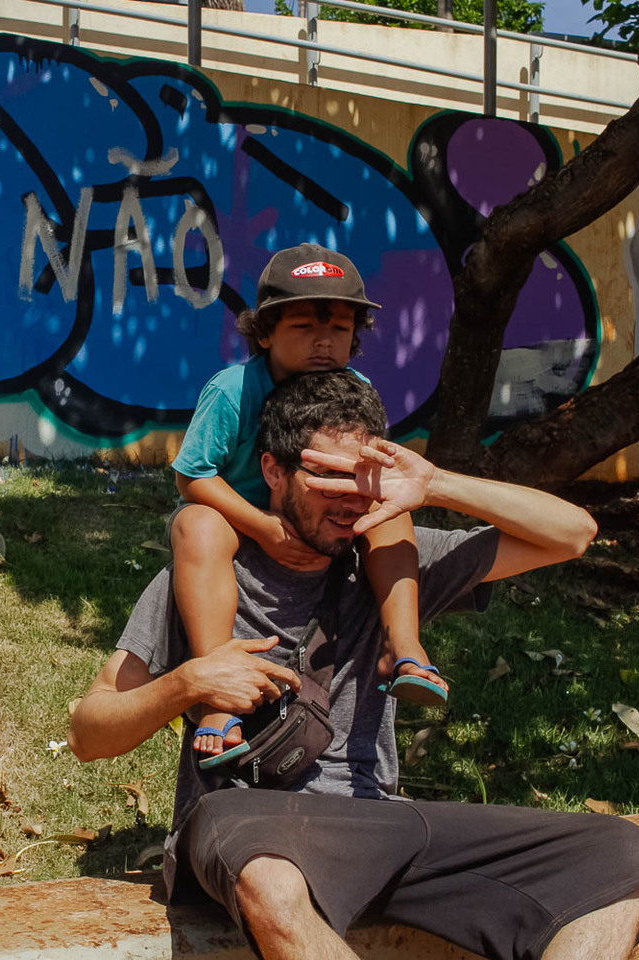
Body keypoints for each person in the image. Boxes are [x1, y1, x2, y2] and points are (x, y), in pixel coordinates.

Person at [70, 371, 639, 960]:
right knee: (274, 879)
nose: (352, 500)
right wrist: (187, 683)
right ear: (273, 474)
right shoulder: (199, 578)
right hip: (244, 822)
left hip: (378, 821)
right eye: (330, 478)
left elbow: (571, 534)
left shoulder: (392, 566)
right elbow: (88, 732)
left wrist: (435, 482)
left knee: (623, 857)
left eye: (365, 478)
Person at [171, 243, 441, 767]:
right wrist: (265, 528)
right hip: (240, 515)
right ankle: (215, 690)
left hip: (326, 516)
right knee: (195, 526)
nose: (323, 342)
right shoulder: (233, 390)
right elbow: (192, 476)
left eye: (339, 329)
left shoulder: (355, 390)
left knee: (393, 516)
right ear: (265, 332)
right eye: (303, 328)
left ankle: (404, 648)